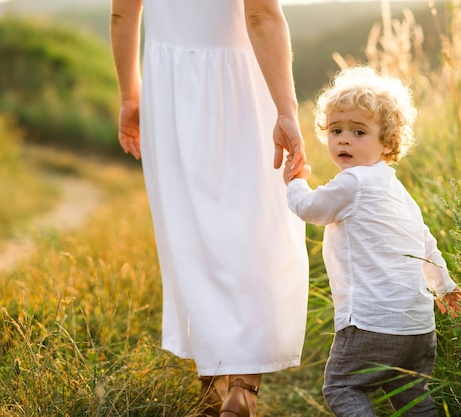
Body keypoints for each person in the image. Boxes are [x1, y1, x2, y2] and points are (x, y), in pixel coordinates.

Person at [110, 1, 309, 416]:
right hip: (239, 80)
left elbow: (123, 15)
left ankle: (210, 383)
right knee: (254, 224)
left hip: (167, 86)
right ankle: (242, 389)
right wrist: (286, 111)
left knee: (188, 226)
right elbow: (261, 16)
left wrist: (131, 93)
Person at [284, 67, 461, 417]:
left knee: (342, 386)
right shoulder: (397, 191)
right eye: (336, 130)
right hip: (417, 327)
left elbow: (309, 208)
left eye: (358, 131)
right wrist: (443, 286)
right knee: (409, 394)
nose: (344, 140)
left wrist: (294, 181)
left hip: (371, 323)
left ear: (387, 142)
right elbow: (424, 242)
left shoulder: (354, 182)